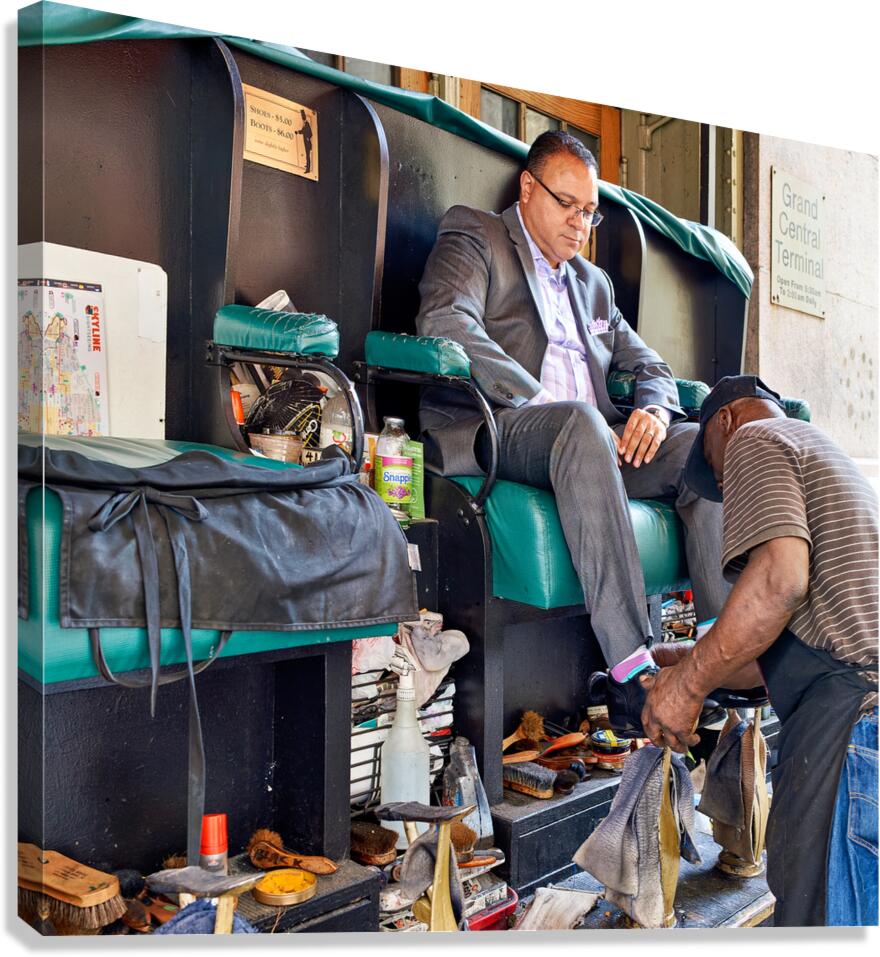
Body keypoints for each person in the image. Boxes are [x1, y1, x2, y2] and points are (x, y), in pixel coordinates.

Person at [415, 130, 729, 734]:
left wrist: (654, 412)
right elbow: (446, 320)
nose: (579, 223)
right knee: (581, 422)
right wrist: (542, 400)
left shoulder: (593, 283)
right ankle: (632, 673)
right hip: (504, 425)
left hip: (591, 442)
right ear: (528, 189)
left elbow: (650, 366)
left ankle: (716, 659)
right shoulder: (476, 235)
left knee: (700, 445)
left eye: (589, 212)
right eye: (567, 204)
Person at [641, 374, 878, 926]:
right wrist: (692, 659)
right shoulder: (824, 452)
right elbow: (776, 637)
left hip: (855, 724)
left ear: (723, 421)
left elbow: (779, 581)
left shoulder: (755, 438)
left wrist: (688, 686)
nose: (725, 487)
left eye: (715, 468)